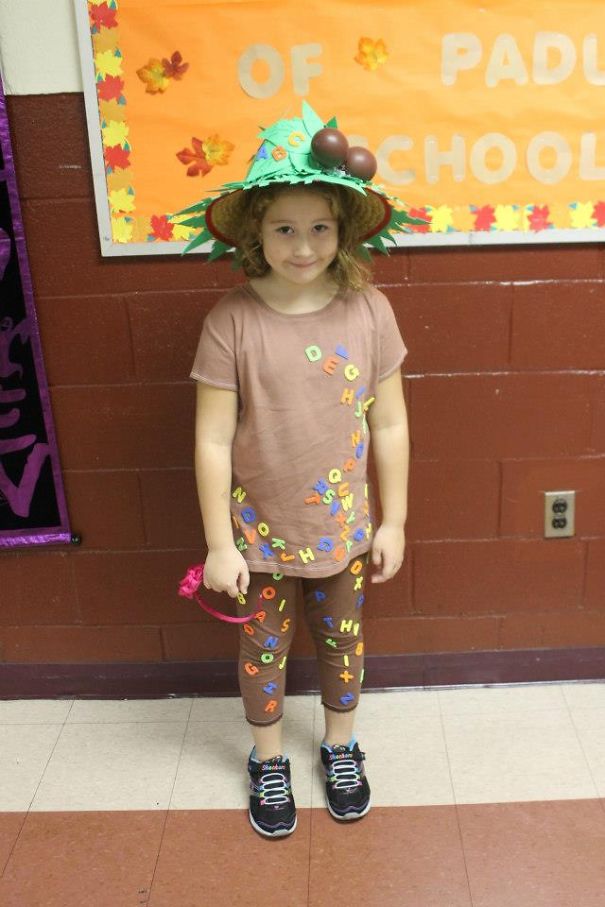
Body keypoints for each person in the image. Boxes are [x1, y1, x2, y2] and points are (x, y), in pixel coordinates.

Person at [180, 102, 417, 839]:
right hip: (257, 537)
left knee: (343, 640)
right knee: (265, 647)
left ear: (343, 228)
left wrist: (395, 519)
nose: (303, 244)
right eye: (284, 227)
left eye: (319, 226)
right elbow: (212, 440)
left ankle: (340, 746)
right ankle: (267, 759)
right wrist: (219, 542)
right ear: (256, 231)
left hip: (343, 529)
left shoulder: (369, 310)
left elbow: (389, 421)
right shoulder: (231, 321)